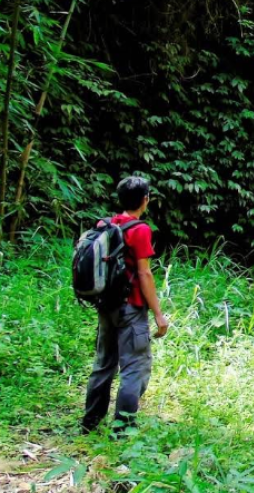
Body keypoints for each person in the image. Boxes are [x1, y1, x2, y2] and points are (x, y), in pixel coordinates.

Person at [81, 176, 169, 433]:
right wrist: (159, 315)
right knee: (135, 368)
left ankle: (90, 423)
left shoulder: (104, 224)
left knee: (103, 364)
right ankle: (123, 427)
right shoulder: (140, 230)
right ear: (145, 200)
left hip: (106, 304)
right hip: (130, 308)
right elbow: (145, 274)